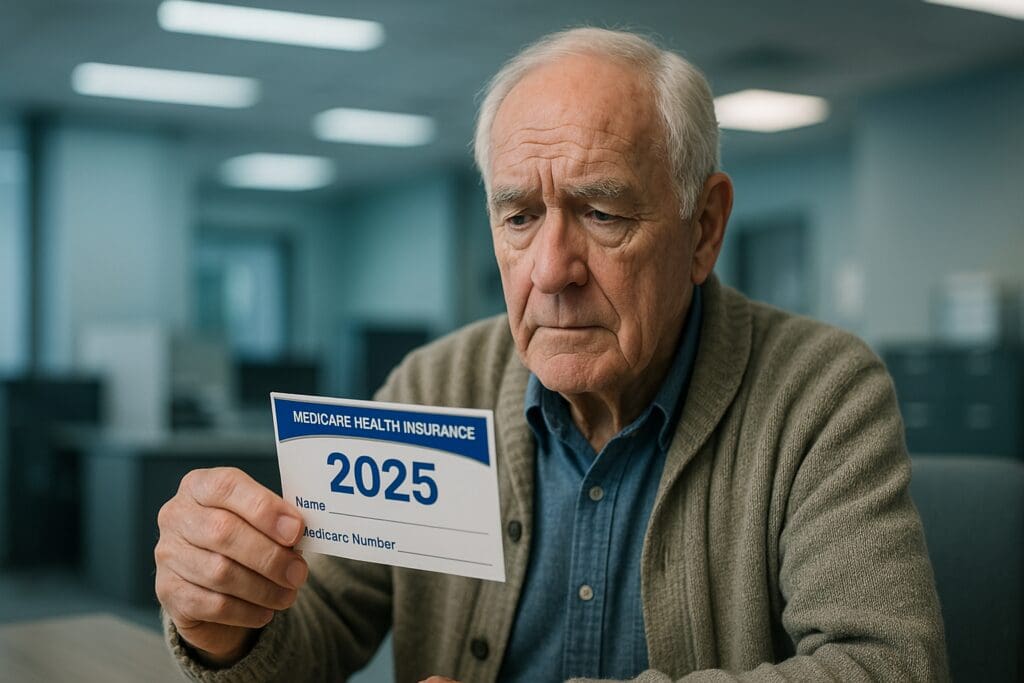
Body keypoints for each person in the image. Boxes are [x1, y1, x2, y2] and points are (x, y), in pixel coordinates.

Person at [155, 27, 949, 682]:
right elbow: (316, 631)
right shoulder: (431, 387)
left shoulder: (821, 393)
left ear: (703, 227)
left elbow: (887, 666)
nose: (549, 269)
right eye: (519, 216)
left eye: (601, 212)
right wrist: (225, 620)